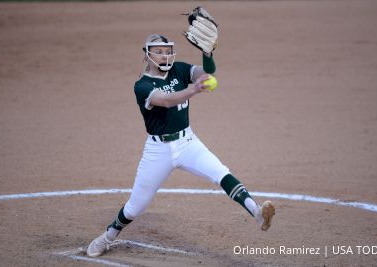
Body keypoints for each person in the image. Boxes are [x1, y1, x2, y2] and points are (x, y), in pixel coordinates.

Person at [87, 12, 275, 257]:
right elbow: (165, 100)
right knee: (135, 207)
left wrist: (208, 57)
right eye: (159, 51)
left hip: (188, 143)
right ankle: (107, 236)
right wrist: (194, 89)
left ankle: (257, 212)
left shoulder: (180, 69)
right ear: (147, 54)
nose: (164, 55)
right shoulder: (142, 85)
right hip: (158, 150)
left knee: (221, 172)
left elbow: (205, 75)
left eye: (167, 51)